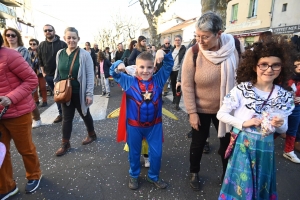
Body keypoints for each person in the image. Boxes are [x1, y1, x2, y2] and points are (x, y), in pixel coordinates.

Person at [217, 36, 295, 199]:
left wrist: (279, 124)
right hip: (243, 146)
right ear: (254, 66)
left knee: (261, 187)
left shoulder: (283, 96)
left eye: (275, 65)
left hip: (265, 148)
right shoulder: (242, 90)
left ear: (282, 67)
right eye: (264, 64)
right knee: (241, 188)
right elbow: (221, 114)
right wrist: (244, 123)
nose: (269, 69)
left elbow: (284, 129)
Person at [181, 11, 239, 191]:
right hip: (201, 109)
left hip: (228, 110)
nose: (200, 40)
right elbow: (187, 84)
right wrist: (192, 112)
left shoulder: (234, 47)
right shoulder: (194, 52)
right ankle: (194, 172)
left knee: (227, 144)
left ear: (219, 34)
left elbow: (245, 76)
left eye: (205, 37)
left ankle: (226, 175)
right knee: (198, 143)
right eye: (197, 36)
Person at [110, 50, 174, 190]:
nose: (145, 71)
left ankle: (153, 176)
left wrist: (163, 53)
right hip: (134, 126)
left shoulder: (158, 79)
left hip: (154, 126)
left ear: (154, 68)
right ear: (135, 68)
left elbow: (169, 64)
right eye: (142, 67)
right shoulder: (128, 81)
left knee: (157, 154)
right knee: (134, 153)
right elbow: (113, 73)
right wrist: (118, 63)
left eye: (149, 67)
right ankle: (134, 175)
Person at [0, 34, 42, 199]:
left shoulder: (10, 55)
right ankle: (6, 187)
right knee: (1, 152)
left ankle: (34, 175)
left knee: (25, 148)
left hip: (18, 112)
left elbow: (32, 80)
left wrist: (11, 98)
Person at [54, 27, 96, 156]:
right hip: (65, 91)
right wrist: (56, 87)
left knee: (85, 113)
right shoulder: (60, 53)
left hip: (79, 91)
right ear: (65, 38)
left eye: (74, 38)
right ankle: (65, 143)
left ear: (78, 39)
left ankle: (91, 134)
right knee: (67, 118)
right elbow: (58, 72)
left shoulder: (84, 54)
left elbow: (90, 74)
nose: (71, 40)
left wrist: (89, 93)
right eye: (69, 37)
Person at [3, 28, 42, 129]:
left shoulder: (22, 50)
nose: (10, 37)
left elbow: (24, 66)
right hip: (8, 84)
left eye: (13, 35)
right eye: (8, 35)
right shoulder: (3, 50)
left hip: (22, 81)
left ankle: (36, 118)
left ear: (17, 37)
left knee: (28, 100)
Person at [38, 24, 67, 123]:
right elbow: (40, 59)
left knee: (64, 94)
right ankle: (61, 114)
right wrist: (43, 72)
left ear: (54, 31)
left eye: (50, 30)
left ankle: (67, 113)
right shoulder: (41, 45)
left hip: (61, 75)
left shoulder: (62, 44)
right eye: (45, 31)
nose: (48, 32)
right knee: (57, 95)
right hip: (49, 75)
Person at [279, 53, 300, 163]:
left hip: (296, 108)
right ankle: (263, 148)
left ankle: (289, 151)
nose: (299, 67)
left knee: (293, 130)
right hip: (281, 107)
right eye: (296, 65)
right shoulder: (284, 77)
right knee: (275, 129)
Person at [29, 39, 48, 108]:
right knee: (34, 88)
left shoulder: (40, 52)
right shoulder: (28, 53)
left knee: (43, 87)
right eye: (31, 44)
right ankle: (36, 101)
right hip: (32, 72)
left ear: (37, 44)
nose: (32, 46)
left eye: (34, 44)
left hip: (40, 72)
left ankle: (45, 101)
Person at [170, 35, 186, 110]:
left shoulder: (184, 49)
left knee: (178, 86)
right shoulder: (172, 49)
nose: (177, 41)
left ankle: (177, 103)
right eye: (176, 40)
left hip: (179, 70)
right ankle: (174, 97)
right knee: (173, 85)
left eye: (178, 40)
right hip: (172, 70)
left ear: (181, 41)